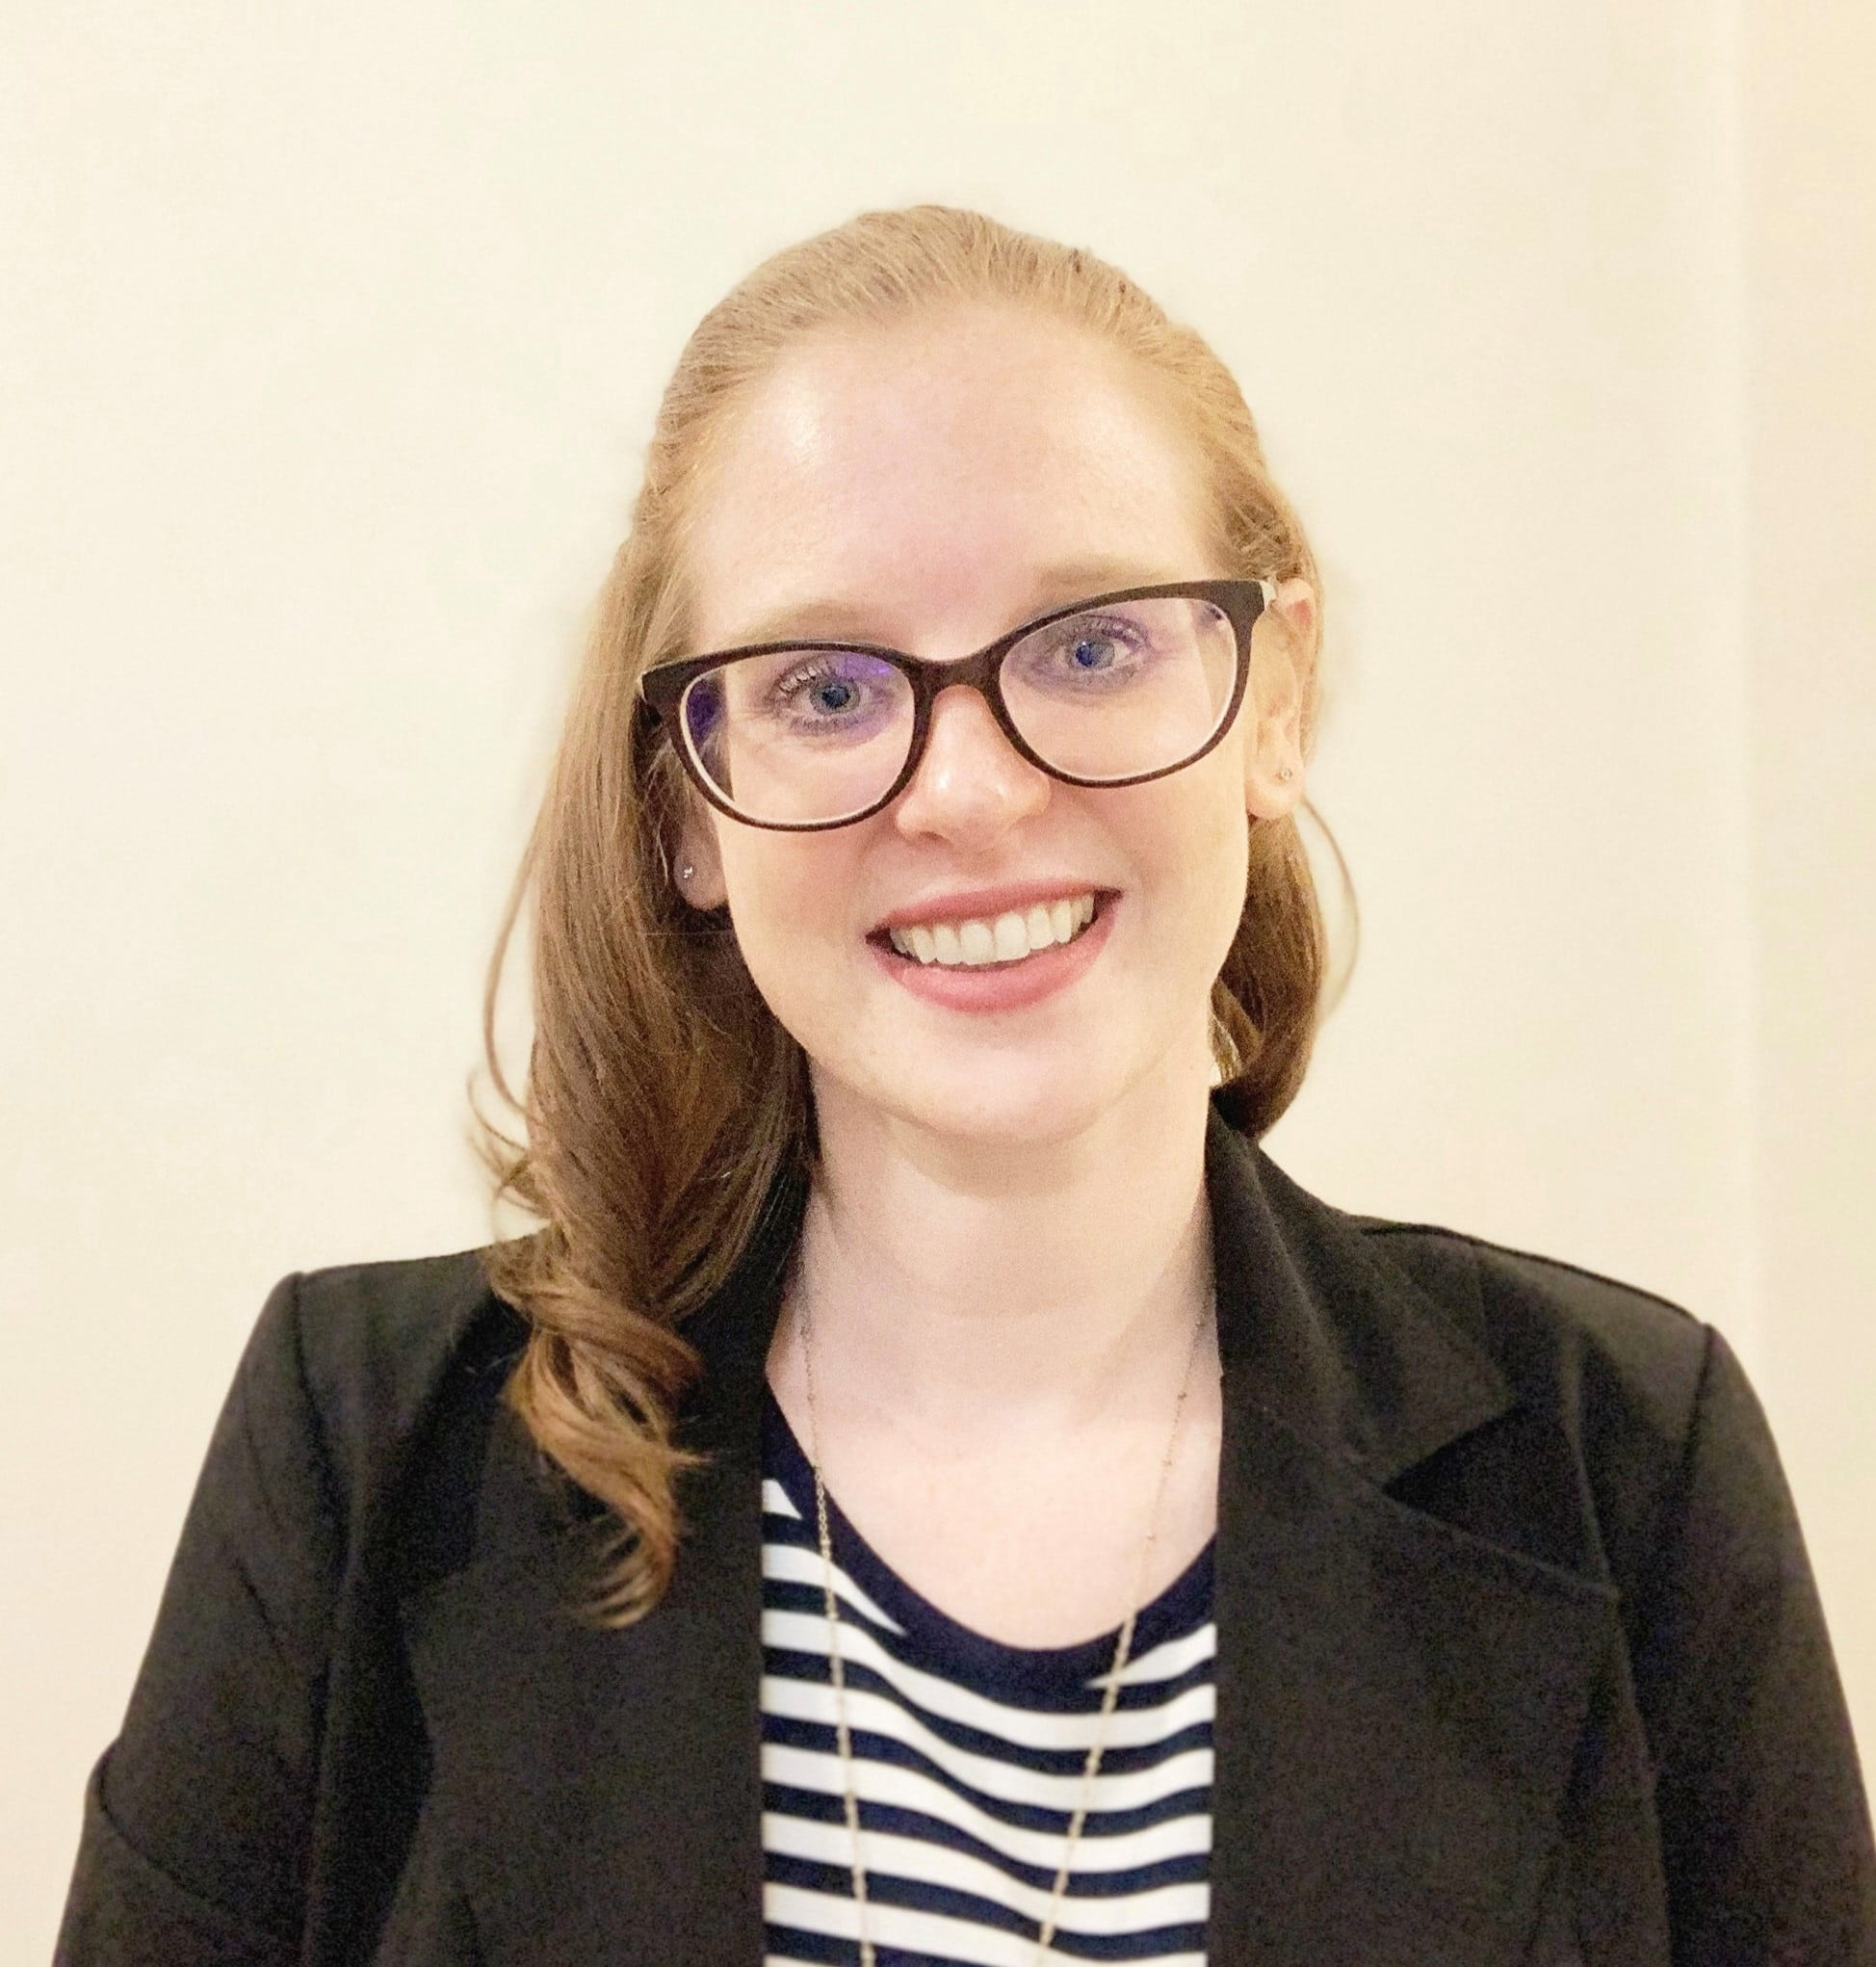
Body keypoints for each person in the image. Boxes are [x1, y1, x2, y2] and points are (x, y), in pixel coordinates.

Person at [57, 205, 1873, 1967]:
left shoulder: (1626, 1465)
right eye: (827, 689)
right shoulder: (361, 1454)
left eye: (1090, 646)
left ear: (1273, 697)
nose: (974, 792)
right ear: (686, 804)